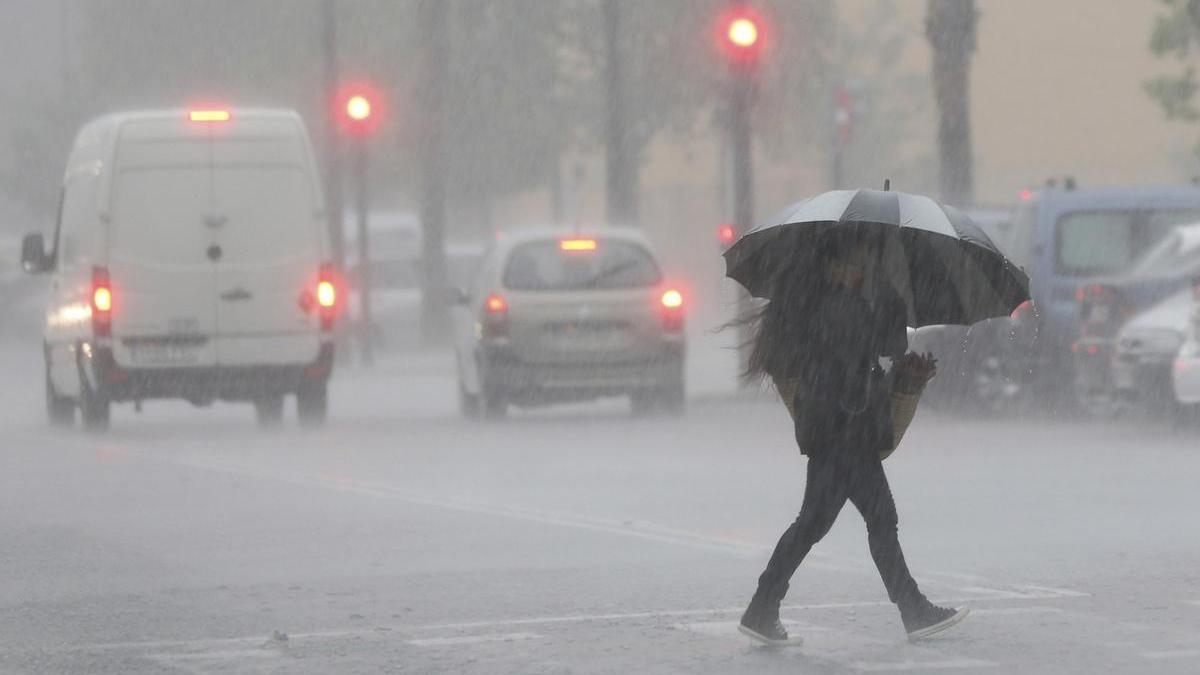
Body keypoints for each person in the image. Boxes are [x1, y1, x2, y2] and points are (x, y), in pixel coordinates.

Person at [738, 229, 969, 646]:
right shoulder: (841, 308)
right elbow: (875, 352)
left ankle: (763, 605)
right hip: (844, 434)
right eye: (858, 262)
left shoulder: (827, 305)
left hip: (835, 431)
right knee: (875, 521)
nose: (862, 268)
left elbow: (868, 357)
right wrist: (884, 302)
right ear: (835, 266)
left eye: (865, 261)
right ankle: (913, 610)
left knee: (817, 524)